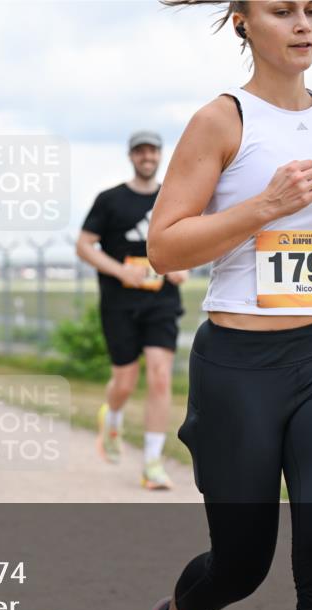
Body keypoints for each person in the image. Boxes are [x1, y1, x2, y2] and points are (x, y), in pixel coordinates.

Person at [125, 2, 312, 610]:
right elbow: (164, 248)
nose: (303, 23)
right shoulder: (221, 121)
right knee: (241, 563)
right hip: (239, 367)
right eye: (283, 11)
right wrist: (262, 207)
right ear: (244, 23)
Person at [76, 130, 189, 490]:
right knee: (124, 381)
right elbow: (84, 245)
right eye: (140, 151)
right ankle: (112, 415)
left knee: (159, 375)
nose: (147, 157)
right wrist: (120, 270)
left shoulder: (173, 199)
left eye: (152, 151)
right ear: (131, 156)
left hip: (161, 303)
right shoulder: (110, 200)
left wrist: (180, 265)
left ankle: (152, 463)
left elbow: (189, 241)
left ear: (159, 155)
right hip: (119, 304)